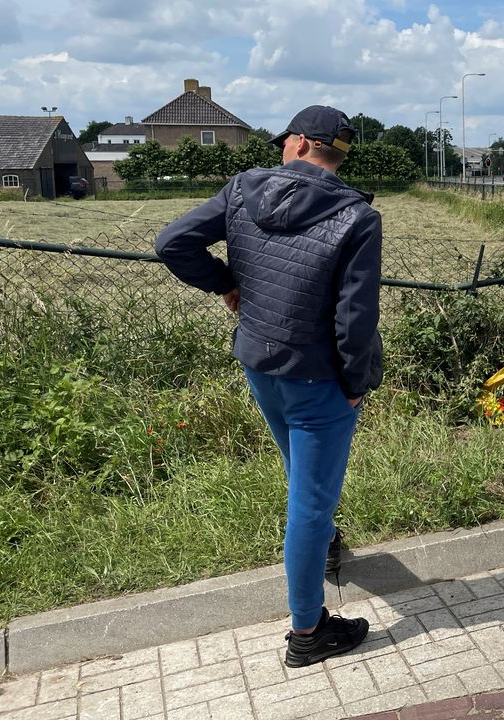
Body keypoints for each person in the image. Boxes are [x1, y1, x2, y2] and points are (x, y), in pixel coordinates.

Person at [155, 105, 382, 667]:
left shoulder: (241, 190)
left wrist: (225, 283)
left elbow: (172, 243)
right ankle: (307, 633)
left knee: (301, 477)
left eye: (286, 141)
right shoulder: (356, 217)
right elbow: (356, 318)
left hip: (259, 364)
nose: (282, 148)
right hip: (319, 379)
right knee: (308, 502)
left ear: (303, 143)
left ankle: (323, 542)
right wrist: (358, 382)